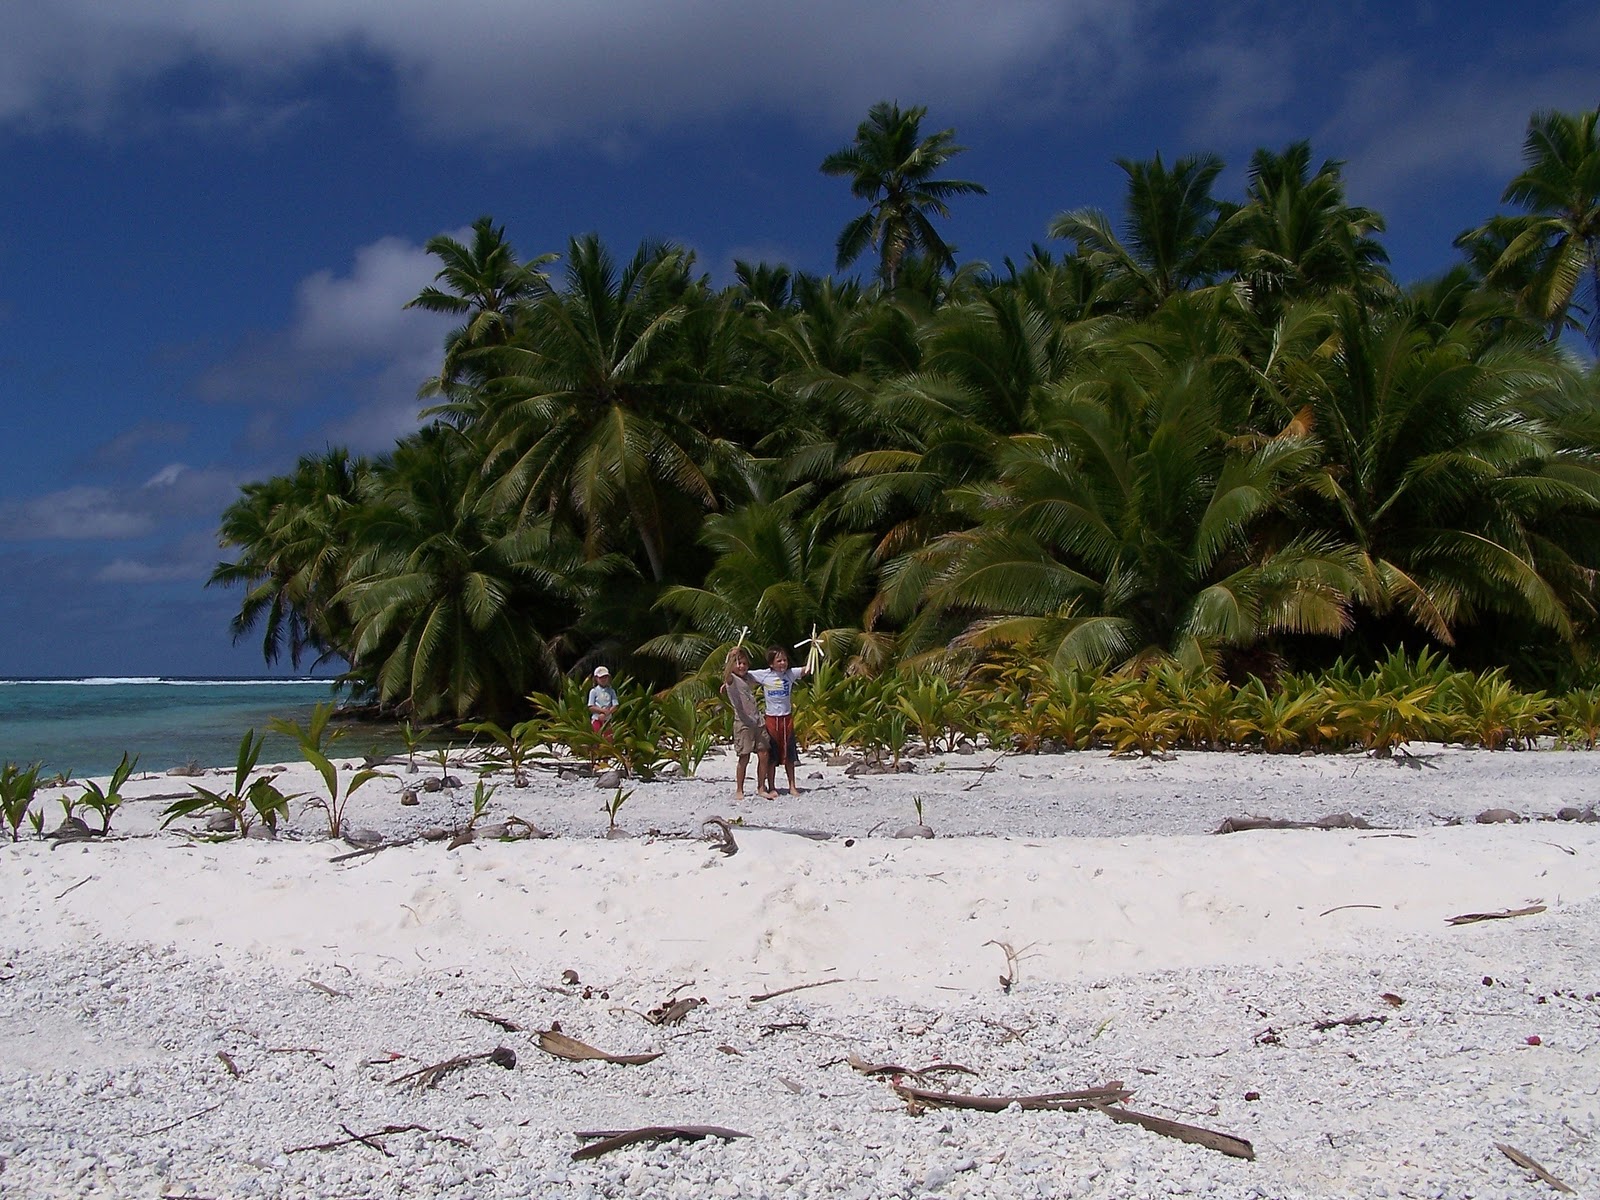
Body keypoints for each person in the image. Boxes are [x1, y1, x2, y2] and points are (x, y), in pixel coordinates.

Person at [750, 645, 809, 795]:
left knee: (790, 755)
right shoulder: (764, 675)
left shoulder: (790, 674)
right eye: (779, 661)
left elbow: (807, 669)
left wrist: (814, 649)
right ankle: (772, 786)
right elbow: (741, 674)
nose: (783, 663)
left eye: (784, 660)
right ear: (771, 664)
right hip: (771, 720)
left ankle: (792, 786)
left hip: (786, 719)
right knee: (771, 755)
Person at [722, 647, 776, 801]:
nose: (741, 666)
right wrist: (731, 657)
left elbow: (764, 675)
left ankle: (761, 787)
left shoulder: (748, 678)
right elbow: (726, 675)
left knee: (764, 754)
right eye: (738, 663)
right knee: (744, 757)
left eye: (744, 663)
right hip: (743, 723)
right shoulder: (731, 679)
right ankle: (739, 789)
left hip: (757, 721)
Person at [587, 667, 618, 732]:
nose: (603, 679)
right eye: (601, 677)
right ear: (596, 678)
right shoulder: (593, 691)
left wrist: (606, 713)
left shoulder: (611, 691)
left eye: (605, 677)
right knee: (596, 738)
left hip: (607, 720)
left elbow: (615, 705)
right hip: (596, 719)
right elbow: (591, 706)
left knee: (608, 739)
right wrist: (602, 711)